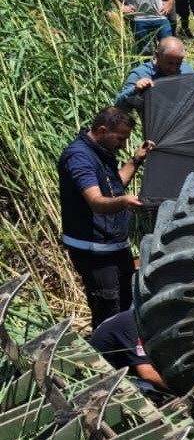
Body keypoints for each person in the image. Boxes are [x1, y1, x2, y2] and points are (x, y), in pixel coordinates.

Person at [58, 107, 153, 330]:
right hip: (95, 251)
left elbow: (113, 186)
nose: (123, 144)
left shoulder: (102, 150)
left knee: (127, 303)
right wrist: (125, 202)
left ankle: (123, 346)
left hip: (115, 246)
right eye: (120, 138)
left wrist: (135, 160)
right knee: (108, 309)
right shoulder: (79, 157)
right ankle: (107, 349)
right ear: (102, 130)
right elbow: (96, 201)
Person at [90, 308, 169, 397]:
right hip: (110, 376)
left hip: (123, 363)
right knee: (151, 391)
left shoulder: (136, 315)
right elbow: (147, 373)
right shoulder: (133, 327)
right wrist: (176, 390)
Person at [115, 35, 194, 109]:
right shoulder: (141, 74)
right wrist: (135, 89)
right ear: (157, 55)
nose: (173, 69)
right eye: (169, 63)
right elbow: (119, 106)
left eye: (178, 64)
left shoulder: (186, 70)